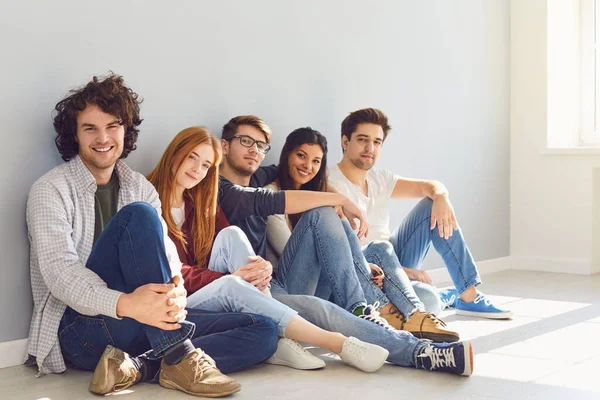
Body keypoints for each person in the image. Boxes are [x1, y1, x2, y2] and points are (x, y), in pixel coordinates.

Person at [25, 74, 279, 398]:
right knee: (140, 215)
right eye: (90, 128)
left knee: (262, 330)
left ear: (125, 130)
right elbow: (59, 273)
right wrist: (128, 303)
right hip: (83, 329)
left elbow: (169, 257)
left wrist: (173, 296)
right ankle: (176, 354)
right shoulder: (49, 190)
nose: (103, 137)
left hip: (145, 320)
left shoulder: (138, 187)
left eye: (112, 126)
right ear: (74, 135)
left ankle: (138, 367)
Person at [215, 115, 475, 376]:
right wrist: (341, 199)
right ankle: (417, 350)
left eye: (261, 146)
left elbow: (298, 174)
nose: (254, 151)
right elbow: (270, 200)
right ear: (225, 146)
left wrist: (355, 253)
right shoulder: (223, 191)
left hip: (284, 279)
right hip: (261, 287)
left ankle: (368, 309)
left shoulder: (260, 173)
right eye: (246, 141)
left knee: (417, 289)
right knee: (324, 301)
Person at [146, 125, 389, 373]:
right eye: (192, 158)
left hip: (218, 286)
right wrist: (227, 277)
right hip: (181, 299)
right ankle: (337, 344)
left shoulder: (200, 199)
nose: (198, 170)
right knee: (234, 285)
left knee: (232, 234)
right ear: (176, 153)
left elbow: (290, 172)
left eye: (206, 165)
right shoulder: (148, 199)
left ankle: (290, 334)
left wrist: (257, 265)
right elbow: (171, 270)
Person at [265, 126, 458, 342]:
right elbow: (297, 254)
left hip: (331, 286)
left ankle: (414, 314)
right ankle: (370, 310)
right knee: (325, 215)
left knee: (384, 252)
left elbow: (338, 249)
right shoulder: (272, 196)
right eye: (301, 156)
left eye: (316, 161)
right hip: (297, 289)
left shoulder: (320, 192)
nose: (308, 166)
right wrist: (361, 269)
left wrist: (363, 267)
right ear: (287, 154)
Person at [328, 108, 512, 319]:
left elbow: (430, 186)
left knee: (430, 204)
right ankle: (443, 296)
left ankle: (468, 294)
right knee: (430, 301)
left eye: (377, 142)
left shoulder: (380, 179)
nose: (370, 148)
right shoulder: (329, 184)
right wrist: (401, 272)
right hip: (366, 272)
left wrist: (441, 196)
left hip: (393, 260)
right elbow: (341, 255)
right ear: (345, 142)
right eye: (362, 139)